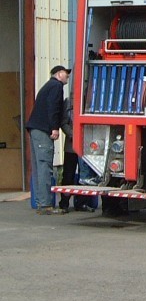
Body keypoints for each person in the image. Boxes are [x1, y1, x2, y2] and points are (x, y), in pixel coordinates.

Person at [25, 65, 70, 215]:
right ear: (58, 74)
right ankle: (45, 205)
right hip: (43, 130)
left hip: (35, 129)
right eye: (66, 74)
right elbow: (53, 108)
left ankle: (40, 202)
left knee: (38, 167)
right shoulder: (56, 86)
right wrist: (54, 128)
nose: (68, 76)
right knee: (45, 166)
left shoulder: (47, 86)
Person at [58, 97, 94, 213]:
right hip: (71, 145)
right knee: (68, 175)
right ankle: (64, 203)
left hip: (86, 144)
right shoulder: (68, 102)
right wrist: (73, 135)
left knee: (85, 175)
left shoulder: (89, 100)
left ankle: (82, 203)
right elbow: (63, 122)